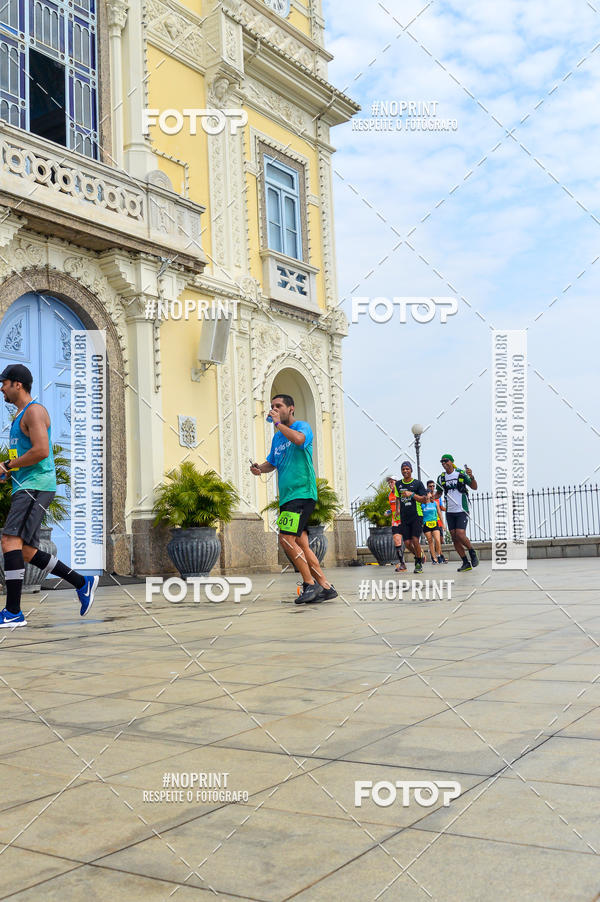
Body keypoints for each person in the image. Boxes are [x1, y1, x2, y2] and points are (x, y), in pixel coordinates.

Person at [0, 364, 98, 627]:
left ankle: (13, 612)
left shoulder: (35, 411)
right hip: (26, 485)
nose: (1, 388)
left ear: (17, 384)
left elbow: (42, 450)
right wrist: (9, 470)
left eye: (4, 383)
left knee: (10, 540)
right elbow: (26, 453)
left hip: (36, 486)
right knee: (28, 551)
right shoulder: (20, 415)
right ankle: (82, 582)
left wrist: (9, 466)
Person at [250, 394, 337, 604]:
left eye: (279, 405)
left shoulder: (301, 426)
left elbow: (299, 440)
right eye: (272, 406)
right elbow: (272, 462)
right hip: (287, 497)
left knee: (285, 539)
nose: (274, 408)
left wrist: (278, 424)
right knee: (301, 543)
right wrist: (259, 469)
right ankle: (325, 586)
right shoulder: (277, 438)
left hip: (302, 493)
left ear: (291, 408)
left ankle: (309, 584)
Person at [435, 453, 479, 572]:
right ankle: (465, 562)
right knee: (454, 538)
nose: (444, 464)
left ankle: (472, 551)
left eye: (446, 461)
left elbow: (474, 487)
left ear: (452, 461)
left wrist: (472, 477)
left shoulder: (460, 473)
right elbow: (438, 493)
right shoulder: (441, 478)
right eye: (442, 462)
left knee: (460, 534)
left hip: (462, 509)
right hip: (450, 511)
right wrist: (429, 497)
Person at [395, 461, 427, 574]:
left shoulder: (418, 484)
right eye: (403, 469)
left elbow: (424, 499)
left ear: (411, 470)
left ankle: (418, 563)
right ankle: (419, 555)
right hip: (404, 516)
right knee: (408, 543)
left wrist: (412, 495)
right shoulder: (398, 484)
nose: (405, 471)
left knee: (415, 539)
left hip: (416, 515)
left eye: (407, 469)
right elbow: (398, 498)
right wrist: (397, 510)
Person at [385, 475, 406, 571]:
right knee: (397, 541)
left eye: (392, 482)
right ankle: (402, 564)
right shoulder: (390, 495)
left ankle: (420, 554)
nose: (390, 484)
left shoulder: (401, 493)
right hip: (395, 521)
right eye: (389, 483)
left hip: (404, 520)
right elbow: (393, 507)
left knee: (409, 542)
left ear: (397, 482)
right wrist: (389, 512)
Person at [427, 479, 447, 563]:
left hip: (438, 521)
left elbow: (441, 508)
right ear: (427, 487)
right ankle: (438, 556)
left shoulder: (437, 497)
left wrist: (448, 509)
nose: (432, 488)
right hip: (428, 521)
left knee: (440, 540)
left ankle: (438, 554)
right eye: (430, 486)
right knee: (431, 540)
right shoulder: (425, 497)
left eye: (433, 486)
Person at [422, 488, 443, 565]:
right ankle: (434, 558)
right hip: (426, 524)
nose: (428, 495)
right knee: (430, 541)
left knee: (437, 540)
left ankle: (439, 555)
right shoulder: (422, 504)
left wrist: (443, 524)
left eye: (429, 493)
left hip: (435, 523)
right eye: (427, 493)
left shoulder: (434, 503)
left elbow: (439, 513)